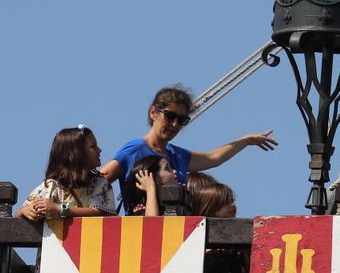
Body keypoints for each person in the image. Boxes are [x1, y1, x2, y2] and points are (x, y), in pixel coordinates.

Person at [99, 84, 277, 208]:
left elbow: (213, 159)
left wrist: (246, 140)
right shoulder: (136, 149)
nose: (175, 124)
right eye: (169, 116)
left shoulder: (175, 154)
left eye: (182, 120)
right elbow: (100, 180)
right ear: (153, 113)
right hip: (142, 234)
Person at [16, 126, 117, 223]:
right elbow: (17, 217)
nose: (99, 150)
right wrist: (24, 211)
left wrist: (59, 208)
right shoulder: (50, 186)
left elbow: (99, 213)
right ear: (76, 153)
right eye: (93, 146)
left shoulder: (99, 183)